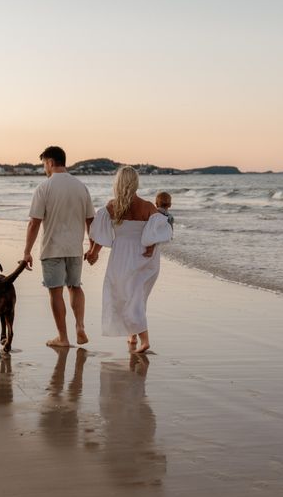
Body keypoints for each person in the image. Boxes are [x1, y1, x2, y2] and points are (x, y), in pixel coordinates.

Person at [85, 166, 172, 354]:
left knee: (123, 294)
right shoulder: (147, 206)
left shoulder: (111, 206)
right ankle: (132, 334)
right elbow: (161, 231)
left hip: (121, 255)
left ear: (118, 183)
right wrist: (150, 245)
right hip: (144, 255)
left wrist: (94, 252)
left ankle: (144, 339)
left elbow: (101, 234)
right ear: (135, 183)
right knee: (137, 296)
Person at [23, 146, 95, 347]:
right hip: (75, 248)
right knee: (75, 286)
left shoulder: (44, 188)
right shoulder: (81, 186)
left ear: (50, 162)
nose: (44, 169)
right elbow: (91, 221)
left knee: (56, 292)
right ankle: (80, 326)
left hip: (52, 248)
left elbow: (34, 223)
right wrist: (92, 246)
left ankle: (63, 337)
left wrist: (27, 251)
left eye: (44, 164)